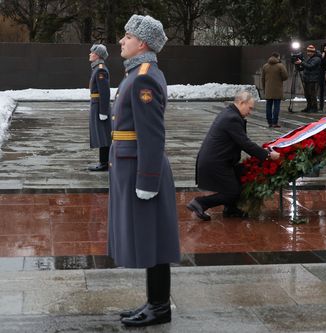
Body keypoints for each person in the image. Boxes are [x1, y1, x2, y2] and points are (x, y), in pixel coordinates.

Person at [107, 14, 180, 327]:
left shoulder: (144, 77)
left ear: (142, 43)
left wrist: (147, 180)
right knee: (152, 236)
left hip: (140, 168)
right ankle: (155, 302)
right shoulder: (136, 74)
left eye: (127, 36)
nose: (121, 41)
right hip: (130, 164)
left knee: (155, 237)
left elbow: (152, 134)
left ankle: (160, 306)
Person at [188, 91, 280, 221]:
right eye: (250, 108)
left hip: (220, 161)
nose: (250, 112)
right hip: (215, 163)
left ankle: (231, 209)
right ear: (242, 103)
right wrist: (268, 155)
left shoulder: (230, 114)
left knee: (241, 175)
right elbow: (245, 143)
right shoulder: (232, 118)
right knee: (232, 192)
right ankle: (200, 203)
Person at [88, 44, 111, 171]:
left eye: (92, 52)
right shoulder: (96, 68)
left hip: (99, 106)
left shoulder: (100, 69)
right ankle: (104, 162)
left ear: (98, 55)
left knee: (103, 135)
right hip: (96, 104)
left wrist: (103, 111)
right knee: (101, 134)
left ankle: (104, 163)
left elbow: (105, 92)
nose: (90, 54)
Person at [261, 52, 288, 128]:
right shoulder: (280, 66)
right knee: (276, 106)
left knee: (268, 106)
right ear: (278, 57)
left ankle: (269, 122)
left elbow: (262, 78)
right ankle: (274, 123)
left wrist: (264, 88)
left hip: (268, 90)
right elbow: (285, 76)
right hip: (277, 90)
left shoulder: (265, 66)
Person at [295, 44, 322, 113]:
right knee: (307, 94)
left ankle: (314, 108)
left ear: (313, 52)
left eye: (310, 52)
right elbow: (304, 67)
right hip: (307, 79)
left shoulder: (317, 59)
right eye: (307, 52)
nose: (308, 53)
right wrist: (298, 65)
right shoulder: (309, 58)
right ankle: (309, 107)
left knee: (312, 94)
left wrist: (302, 62)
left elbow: (310, 66)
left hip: (313, 79)